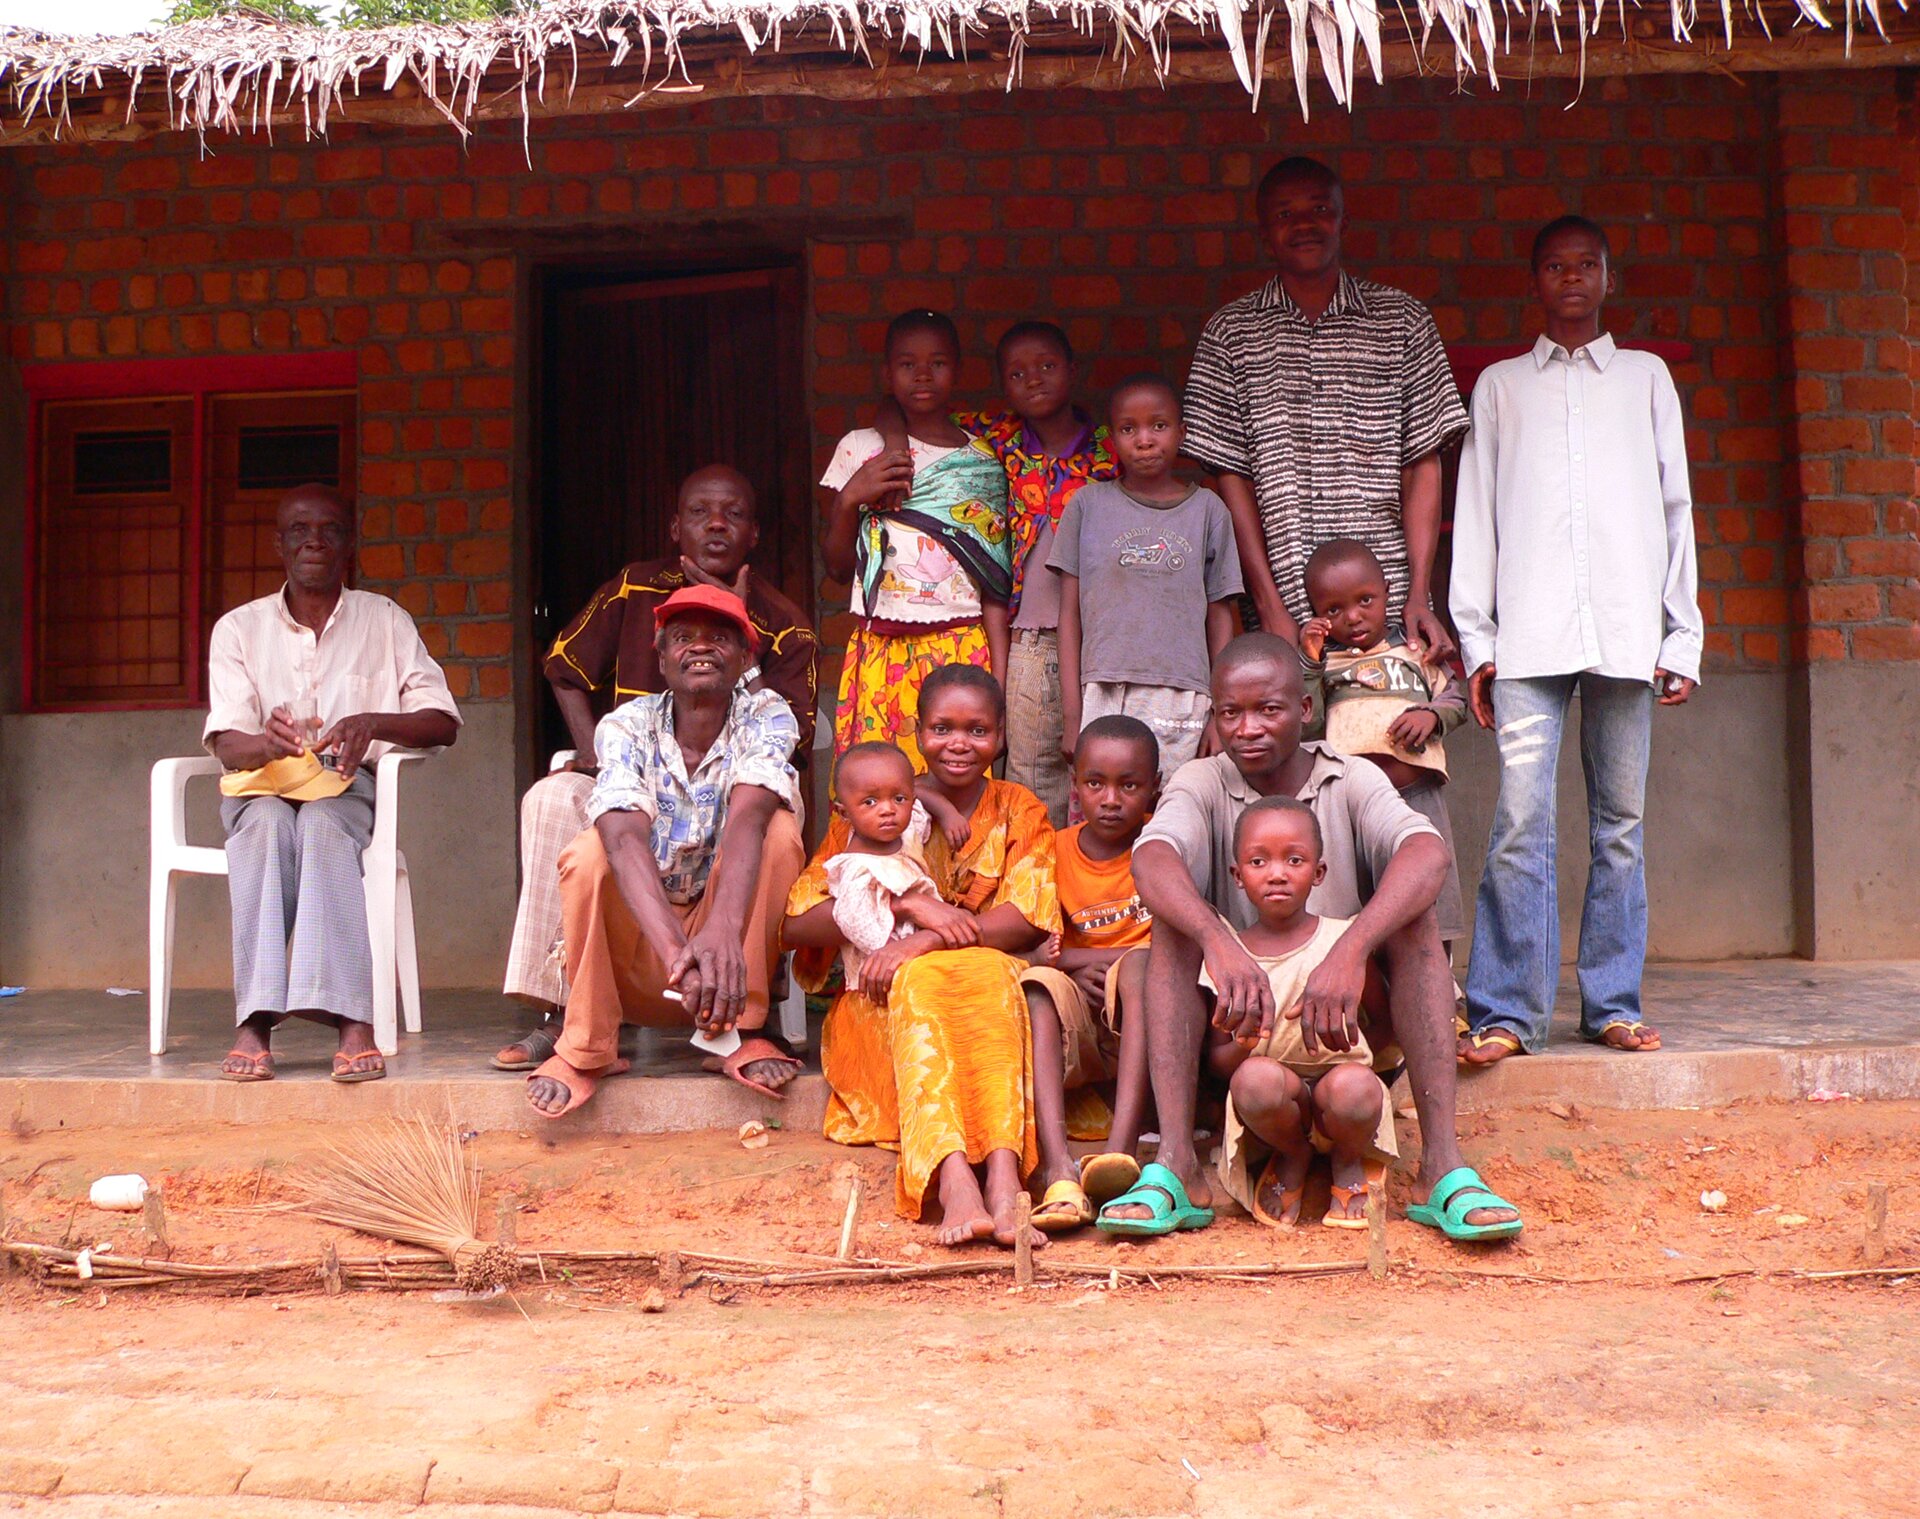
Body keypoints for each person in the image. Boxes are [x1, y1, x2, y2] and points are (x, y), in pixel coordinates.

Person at [1099, 634, 1523, 1243]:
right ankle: (1176, 1166)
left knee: (1414, 921)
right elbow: (1154, 861)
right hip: (1240, 1043)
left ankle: (1443, 1168)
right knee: (1172, 926)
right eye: (1230, 713)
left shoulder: (1352, 777)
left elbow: (1425, 854)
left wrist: (1349, 950)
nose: (1247, 729)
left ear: (1304, 708)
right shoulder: (1202, 780)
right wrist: (1219, 943)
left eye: (1267, 710)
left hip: (1349, 1037)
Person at [1451, 214, 1702, 1064]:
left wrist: (1682, 633)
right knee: (1521, 817)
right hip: (1526, 633)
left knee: (1619, 822)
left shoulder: (1645, 378)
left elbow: (1677, 509)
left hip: (1630, 629)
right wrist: (1476, 642)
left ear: (1608, 277)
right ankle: (1507, 1011)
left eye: (1586, 264)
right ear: (1534, 281)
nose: (1570, 278)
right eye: (1554, 265)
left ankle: (1612, 1001)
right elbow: (1474, 517)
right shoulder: (1499, 387)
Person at [495, 465, 816, 1072]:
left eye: (734, 514)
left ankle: (748, 1012)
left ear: (755, 533)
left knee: (777, 822)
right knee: (552, 800)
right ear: (675, 526)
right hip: (634, 777)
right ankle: (564, 1012)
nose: (716, 524)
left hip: (740, 782)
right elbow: (563, 667)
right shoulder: (635, 589)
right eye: (699, 513)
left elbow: (787, 735)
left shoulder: (785, 622)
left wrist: (739, 618)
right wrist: (591, 747)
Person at [785, 665, 1057, 1250]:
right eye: (942, 728)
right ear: (918, 730)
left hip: (983, 988)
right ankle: (955, 1174)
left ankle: (1005, 1175)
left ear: (1002, 734)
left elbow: (1031, 916)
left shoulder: (1020, 808)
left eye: (978, 730)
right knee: (925, 982)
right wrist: (907, 905)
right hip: (885, 1003)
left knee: (978, 972)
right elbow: (796, 920)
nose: (959, 743)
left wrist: (929, 937)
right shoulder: (871, 800)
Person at [204, 484, 461, 1082]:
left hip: (346, 788)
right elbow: (224, 743)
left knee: (321, 825)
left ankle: (351, 1019)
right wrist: (267, 743)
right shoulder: (238, 629)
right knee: (267, 825)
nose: (313, 541)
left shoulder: (385, 619)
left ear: (349, 544)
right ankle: (256, 1019)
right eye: (298, 530)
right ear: (279, 545)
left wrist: (374, 722)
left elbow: (443, 721)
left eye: (327, 530)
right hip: (262, 788)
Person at [525, 585, 807, 1117]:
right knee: (589, 852)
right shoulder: (625, 726)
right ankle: (587, 1049)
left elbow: (749, 817)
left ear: (746, 657)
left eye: (719, 638)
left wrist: (720, 934)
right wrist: (681, 955)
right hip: (650, 955)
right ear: (661, 659)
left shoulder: (768, 715)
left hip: (729, 970)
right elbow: (623, 834)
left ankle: (740, 1032)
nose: (700, 648)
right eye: (682, 638)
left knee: (779, 831)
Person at [1182, 156, 1467, 661]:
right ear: (1265, 231)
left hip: (1387, 604)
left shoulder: (1402, 320)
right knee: (1290, 740)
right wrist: (1268, 604)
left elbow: (1423, 464)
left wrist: (1420, 595)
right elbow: (1229, 480)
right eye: (1286, 214)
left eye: (1319, 209)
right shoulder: (1230, 333)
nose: (1305, 224)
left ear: (1343, 220)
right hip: (1282, 611)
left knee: (1387, 734)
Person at [874, 320, 1118, 824]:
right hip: (1030, 633)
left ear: (1073, 370)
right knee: (1033, 772)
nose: (1034, 378)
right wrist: (896, 445)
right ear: (1001, 383)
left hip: (1104, 631)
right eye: (1017, 373)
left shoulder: (1109, 448)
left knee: (1106, 765)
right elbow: (900, 406)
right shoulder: (996, 439)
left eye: (1047, 366)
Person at [1192, 797, 1397, 1233]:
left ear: (1318, 873)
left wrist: (1353, 1052)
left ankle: (1346, 1158)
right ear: (1238, 876)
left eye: (1295, 859)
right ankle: (1292, 1154)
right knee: (1254, 1080)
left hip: (1342, 1102)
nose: (1277, 873)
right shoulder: (1229, 957)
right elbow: (1216, 1062)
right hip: (1275, 1109)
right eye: (1259, 861)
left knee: (1355, 1086)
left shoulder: (1344, 944)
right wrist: (1245, 1046)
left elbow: (1385, 1025)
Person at [820, 309, 1012, 770]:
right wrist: (850, 500)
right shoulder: (859, 448)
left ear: (959, 370)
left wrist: (999, 688)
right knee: (879, 789)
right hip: (880, 650)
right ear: (887, 372)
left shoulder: (982, 461)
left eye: (938, 363)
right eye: (907, 364)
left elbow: (994, 582)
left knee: (956, 785)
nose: (923, 375)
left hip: (961, 647)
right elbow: (836, 568)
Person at [1054, 375, 1243, 785]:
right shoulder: (1087, 506)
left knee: (1175, 810)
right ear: (1112, 439)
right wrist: (1074, 715)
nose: (1144, 440)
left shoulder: (1209, 511)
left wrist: (1219, 710)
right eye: (1128, 428)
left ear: (1182, 432)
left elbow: (1221, 616)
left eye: (1159, 425)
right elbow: (1068, 615)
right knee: (1106, 814)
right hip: (1104, 692)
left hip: (1184, 697)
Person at [1019, 715, 1160, 1231]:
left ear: (1154, 790)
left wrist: (1113, 963)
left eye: (1129, 785)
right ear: (1075, 786)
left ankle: (1117, 1156)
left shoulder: (1160, 851)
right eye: (1095, 783)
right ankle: (1057, 1168)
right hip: (1078, 1011)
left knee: (1144, 965)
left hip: (1141, 1014)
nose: (1111, 799)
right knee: (1038, 987)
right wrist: (1074, 967)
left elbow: (1175, 945)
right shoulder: (1053, 852)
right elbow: (1038, 948)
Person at [1300, 537, 1469, 949]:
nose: (1353, 618)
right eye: (1334, 610)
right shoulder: (1326, 665)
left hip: (1417, 794)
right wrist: (1307, 662)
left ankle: (1442, 990)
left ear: (1388, 592)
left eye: (1365, 600)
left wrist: (1431, 715)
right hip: (1350, 803)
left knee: (1431, 888)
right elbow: (1307, 726)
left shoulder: (1415, 652)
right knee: (1358, 895)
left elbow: (1456, 698)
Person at [819, 741, 946, 984]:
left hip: (926, 952)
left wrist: (947, 813)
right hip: (883, 972)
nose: (888, 809)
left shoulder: (907, 834)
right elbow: (858, 925)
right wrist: (900, 950)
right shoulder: (856, 870)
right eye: (870, 802)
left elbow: (918, 807)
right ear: (844, 813)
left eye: (898, 798)